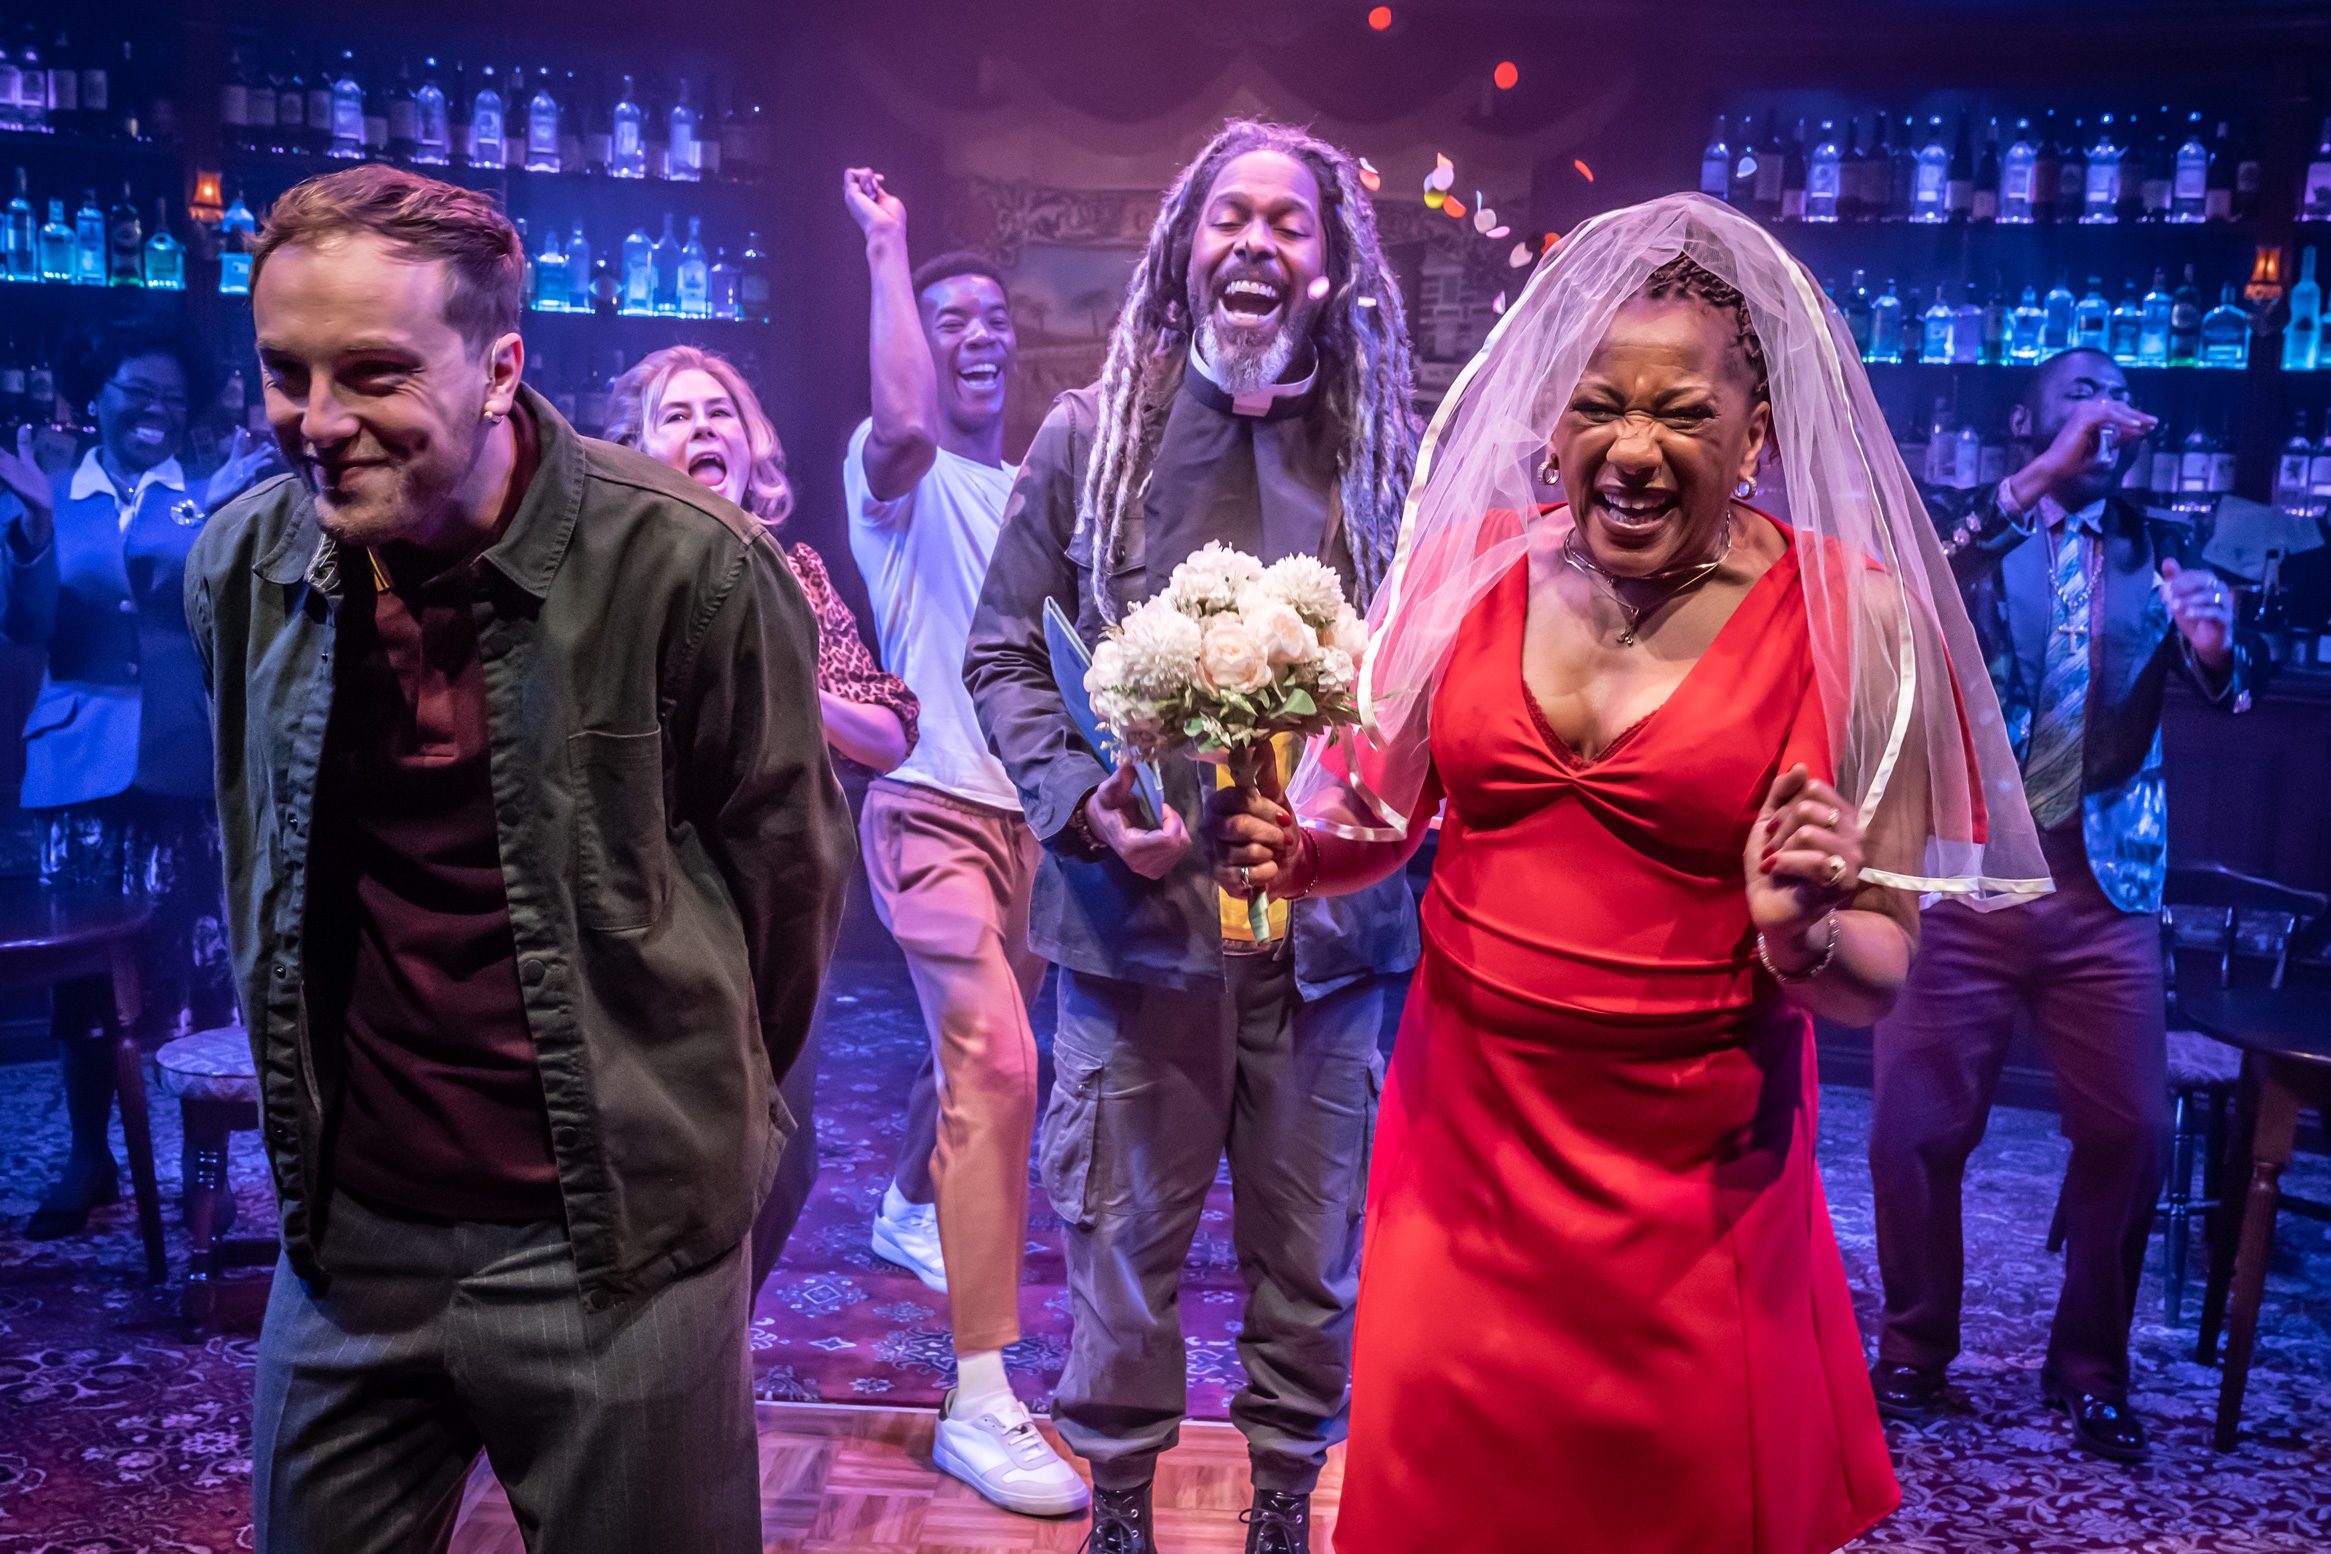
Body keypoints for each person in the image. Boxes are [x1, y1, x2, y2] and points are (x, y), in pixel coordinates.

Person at [1207, 193, 2049, 1553]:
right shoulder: (1465, 573)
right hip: (1461, 1158)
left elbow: (1877, 973)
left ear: (1756, 436)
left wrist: (1799, 936)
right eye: (1598, 407)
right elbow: (1382, 819)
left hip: (1693, 1195)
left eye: (1682, 415)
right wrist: (1291, 853)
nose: (1633, 449)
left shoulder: (1855, 620)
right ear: (1551, 424)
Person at [187, 164, 851, 1553]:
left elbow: (787, 899)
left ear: (500, 370)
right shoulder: (243, 566)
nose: (318, 422)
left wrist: (712, 1157)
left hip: (615, 1247)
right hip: (348, 1242)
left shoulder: (693, 568)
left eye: (372, 372)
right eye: (286, 373)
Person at [965, 120, 1421, 1554]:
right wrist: (1080, 801)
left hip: (1326, 950)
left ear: (1332, 266)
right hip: (1133, 944)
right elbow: (1002, 655)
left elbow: (1432, 684)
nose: (1256, 243)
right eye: (1231, 217)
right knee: (1116, 1252)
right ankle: (1118, 1513)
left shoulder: (1388, 455)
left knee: (1314, 1264)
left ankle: (1283, 1505)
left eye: (1289, 223)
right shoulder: (1086, 438)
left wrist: (1356, 813)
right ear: (1182, 250)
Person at [1868, 347, 2261, 1463]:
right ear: (2024, 419)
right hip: (1967, 876)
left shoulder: (2161, 543)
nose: (2103, 407)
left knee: (2131, 1133)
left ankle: (2089, 1369)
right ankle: (1914, 1348)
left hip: (2106, 893)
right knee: (1912, 1129)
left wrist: (2218, 652)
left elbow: (2234, 690)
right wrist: (2042, 475)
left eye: (2115, 393)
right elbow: (1929, 561)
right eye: (2077, 391)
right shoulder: (1966, 526)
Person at [839, 168, 1083, 1515]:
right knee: (998, 1062)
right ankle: (979, 1402)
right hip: (928, 810)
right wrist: (890, 248)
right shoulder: (899, 474)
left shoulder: (1032, 486)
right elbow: (898, 417)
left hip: (1030, 826)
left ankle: (902, 1203)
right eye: (951, 318)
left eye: (993, 316)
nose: (978, 332)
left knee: (972, 1055)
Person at [605, 342, 924, 1295]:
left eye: (721, 414)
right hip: (652, 894)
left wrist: (788, 680)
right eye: (676, 416)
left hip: (781, 900)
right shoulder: (612, 576)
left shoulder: (796, 573)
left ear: (754, 448)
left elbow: (888, 731)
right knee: (675, 1147)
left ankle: (710, 1340)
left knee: (784, 1157)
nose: (703, 428)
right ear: (635, 451)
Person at [0, 326, 273, 1238]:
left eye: (171, 398)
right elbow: (27, 625)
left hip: (182, 763)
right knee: (84, 985)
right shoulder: (50, 493)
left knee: (194, 975)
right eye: (136, 393)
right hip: (79, 771)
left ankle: (201, 1171)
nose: (155, 411)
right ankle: (89, 1161)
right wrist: (36, 529)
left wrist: (217, 516)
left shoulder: (204, 494)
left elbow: (227, 617)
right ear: (98, 396)